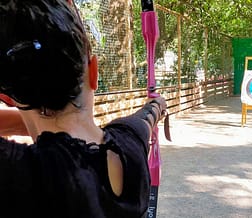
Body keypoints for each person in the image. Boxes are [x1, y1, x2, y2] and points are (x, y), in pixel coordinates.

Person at [0, 0, 167, 217]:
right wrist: (158, 104)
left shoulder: (23, 175)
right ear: (94, 71)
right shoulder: (130, 140)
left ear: (7, 99)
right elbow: (148, 115)